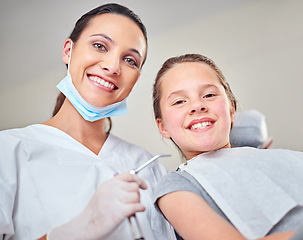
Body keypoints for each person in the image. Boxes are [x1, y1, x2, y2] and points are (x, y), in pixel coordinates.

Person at [0, 3, 175, 240]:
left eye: (130, 60)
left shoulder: (148, 166)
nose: (112, 67)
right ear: (68, 51)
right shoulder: (8, 150)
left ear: (136, 79)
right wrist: (75, 231)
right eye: (99, 46)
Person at [152, 53, 303, 240]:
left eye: (209, 95)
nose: (197, 106)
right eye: (179, 101)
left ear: (231, 110)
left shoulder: (295, 158)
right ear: (163, 127)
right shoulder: (176, 186)